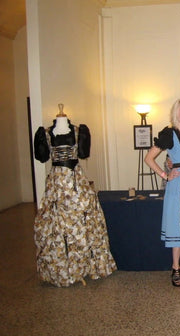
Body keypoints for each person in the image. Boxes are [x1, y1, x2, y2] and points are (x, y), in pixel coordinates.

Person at [33, 104, 116, 287]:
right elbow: (42, 157)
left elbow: (83, 153)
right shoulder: (45, 133)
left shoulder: (79, 131)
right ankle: (63, 267)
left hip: (76, 181)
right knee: (56, 224)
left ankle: (86, 265)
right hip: (57, 183)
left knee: (85, 219)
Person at [145, 98, 180, 287]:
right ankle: (175, 267)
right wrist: (165, 174)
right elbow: (149, 158)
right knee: (178, 227)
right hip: (178, 185)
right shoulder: (169, 133)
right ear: (176, 113)